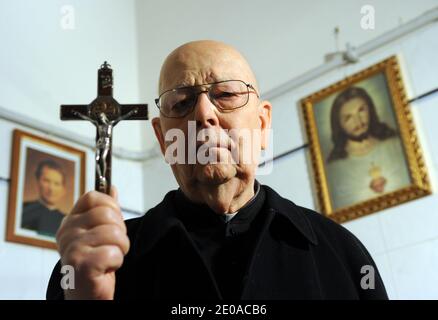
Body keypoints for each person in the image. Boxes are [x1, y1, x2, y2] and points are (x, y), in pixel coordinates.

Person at [47, 40, 388, 300]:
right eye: (181, 102)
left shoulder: (342, 254)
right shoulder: (89, 266)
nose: (203, 114)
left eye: (225, 94)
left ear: (263, 122)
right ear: (163, 139)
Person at [325, 87, 411, 209]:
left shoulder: (395, 144)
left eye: (361, 110)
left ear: (370, 109)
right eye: (348, 118)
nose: (358, 120)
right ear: (338, 124)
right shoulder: (335, 166)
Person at [22, 159, 66, 237]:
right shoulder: (22, 209)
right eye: (46, 181)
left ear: (63, 189)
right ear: (38, 181)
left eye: (57, 183)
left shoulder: (67, 221)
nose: (51, 188)